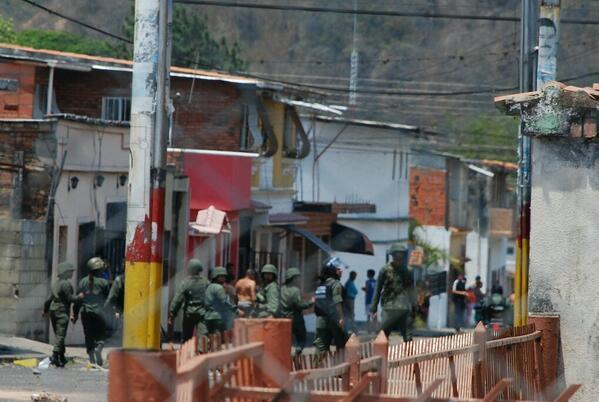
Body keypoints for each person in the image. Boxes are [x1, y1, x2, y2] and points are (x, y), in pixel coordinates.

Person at [370, 243, 416, 341]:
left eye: (401, 255)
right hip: (392, 307)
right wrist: (373, 308)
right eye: (397, 255)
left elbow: (412, 290)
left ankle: (407, 355)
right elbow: (377, 289)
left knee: (406, 338)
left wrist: (414, 308)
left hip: (400, 308)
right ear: (393, 255)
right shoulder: (385, 270)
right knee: (383, 337)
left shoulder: (407, 271)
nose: (399, 257)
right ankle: (383, 356)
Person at [73, 257, 110, 366]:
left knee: (88, 334)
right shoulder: (104, 282)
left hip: (86, 312)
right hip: (99, 312)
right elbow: (108, 299)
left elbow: (79, 300)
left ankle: (91, 357)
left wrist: (74, 314)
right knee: (101, 334)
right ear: (98, 270)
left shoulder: (83, 281)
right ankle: (98, 348)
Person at [43, 262, 80, 367]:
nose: (72, 273)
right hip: (62, 311)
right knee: (61, 334)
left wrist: (45, 310)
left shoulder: (56, 284)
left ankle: (61, 356)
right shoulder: (66, 284)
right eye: (70, 271)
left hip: (53, 310)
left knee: (59, 334)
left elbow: (48, 299)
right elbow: (70, 298)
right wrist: (80, 297)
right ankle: (55, 355)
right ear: (65, 272)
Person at [168, 259, 210, 343]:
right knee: (203, 338)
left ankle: (186, 352)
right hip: (203, 313)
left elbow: (178, 299)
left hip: (189, 314)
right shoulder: (206, 282)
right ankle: (202, 352)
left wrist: (172, 313)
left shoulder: (186, 283)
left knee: (187, 337)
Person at [313, 258, 348, 353]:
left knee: (321, 347)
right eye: (338, 269)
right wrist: (341, 317)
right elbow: (337, 302)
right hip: (334, 320)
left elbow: (315, 301)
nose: (341, 271)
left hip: (321, 320)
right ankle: (340, 365)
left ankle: (319, 366)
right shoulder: (335, 284)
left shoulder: (320, 285)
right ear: (332, 271)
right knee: (342, 345)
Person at [280, 267, 314, 355]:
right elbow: (299, 305)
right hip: (295, 318)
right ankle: (298, 351)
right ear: (293, 278)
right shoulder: (295, 290)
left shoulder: (281, 289)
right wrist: (311, 302)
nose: (299, 279)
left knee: (286, 338)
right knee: (302, 338)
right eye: (298, 277)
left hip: (283, 318)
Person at [205, 266, 237, 334]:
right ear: (216, 277)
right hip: (218, 317)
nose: (224, 278)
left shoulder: (209, 286)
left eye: (224, 276)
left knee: (209, 338)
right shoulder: (219, 287)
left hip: (208, 316)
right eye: (221, 276)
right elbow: (225, 302)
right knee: (217, 339)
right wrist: (236, 310)